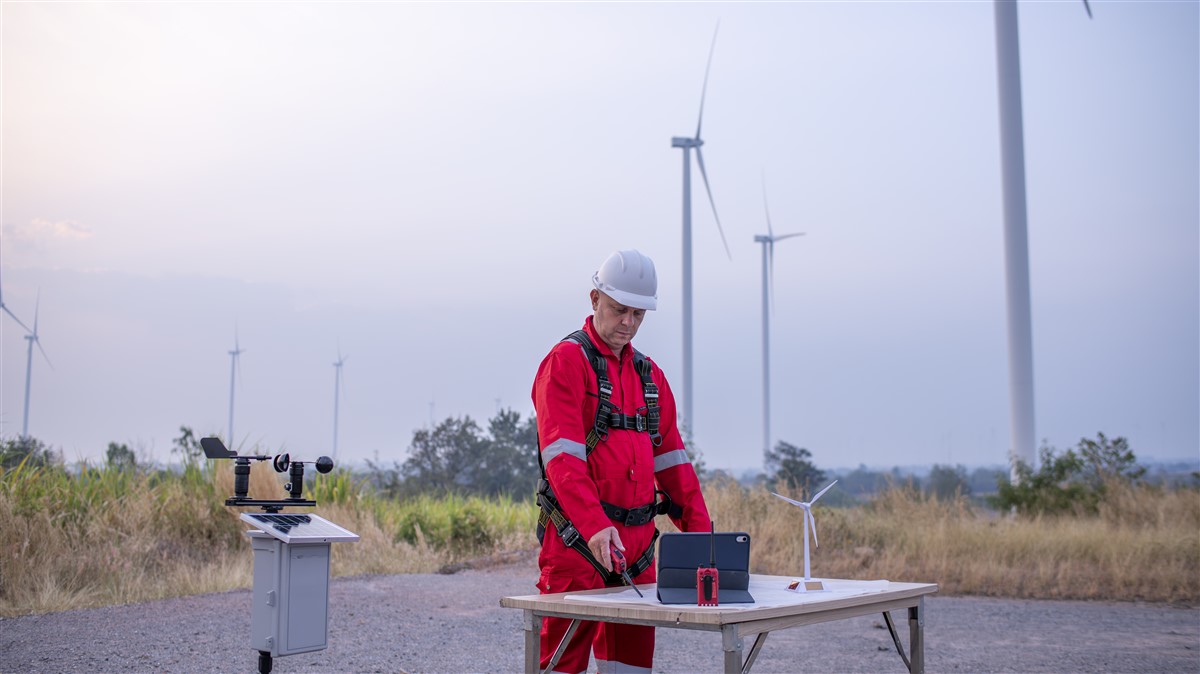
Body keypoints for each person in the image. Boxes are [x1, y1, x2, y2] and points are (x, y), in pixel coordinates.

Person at [531, 249, 711, 674]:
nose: (628, 322)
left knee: (629, 668)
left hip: (638, 553)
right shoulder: (566, 363)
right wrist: (594, 527)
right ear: (594, 301)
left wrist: (705, 544)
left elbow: (676, 468)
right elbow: (562, 462)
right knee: (561, 666)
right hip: (579, 545)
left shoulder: (651, 378)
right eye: (618, 310)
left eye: (638, 314)